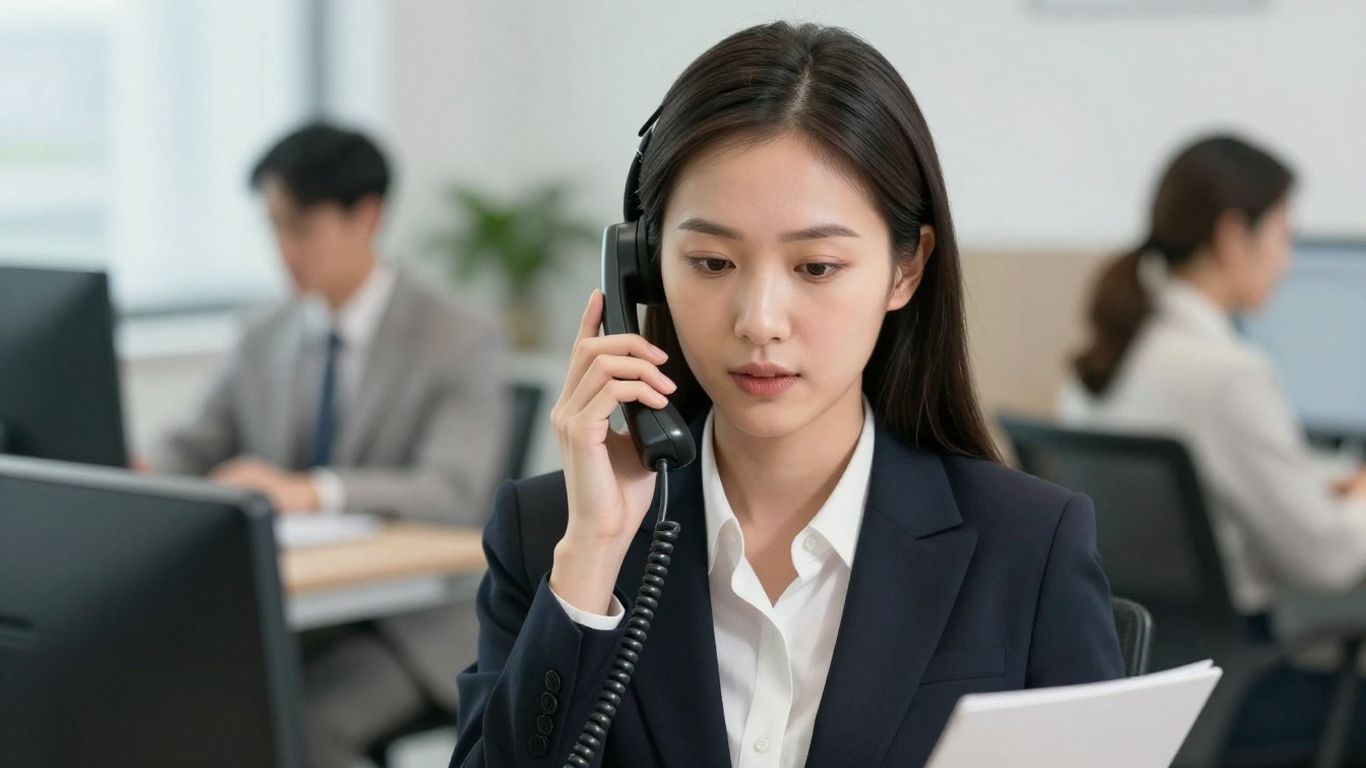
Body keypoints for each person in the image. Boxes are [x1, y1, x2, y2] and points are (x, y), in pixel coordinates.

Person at [450, 22, 1122, 768]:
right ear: (641, 269)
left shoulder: (1026, 543)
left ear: (906, 270)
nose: (759, 321)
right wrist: (593, 558)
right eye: (711, 262)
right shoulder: (550, 533)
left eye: (817, 267)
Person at [150, 123, 507, 767]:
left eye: (300, 227)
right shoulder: (265, 331)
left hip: (411, 626)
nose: (283, 250)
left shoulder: (458, 337)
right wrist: (134, 475)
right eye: (273, 226)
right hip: (302, 614)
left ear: (365, 216)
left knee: (306, 723)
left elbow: (456, 491)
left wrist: (311, 492)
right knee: (181, 691)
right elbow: (194, 445)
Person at [1059, 134, 1366, 761]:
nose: (1287, 259)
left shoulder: (1108, 353)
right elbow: (1329, 564)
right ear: (1233, 235)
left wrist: (1314, 483)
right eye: (1283, 235)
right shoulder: (1227, 373)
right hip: (1234, 690)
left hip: (1131, 674)